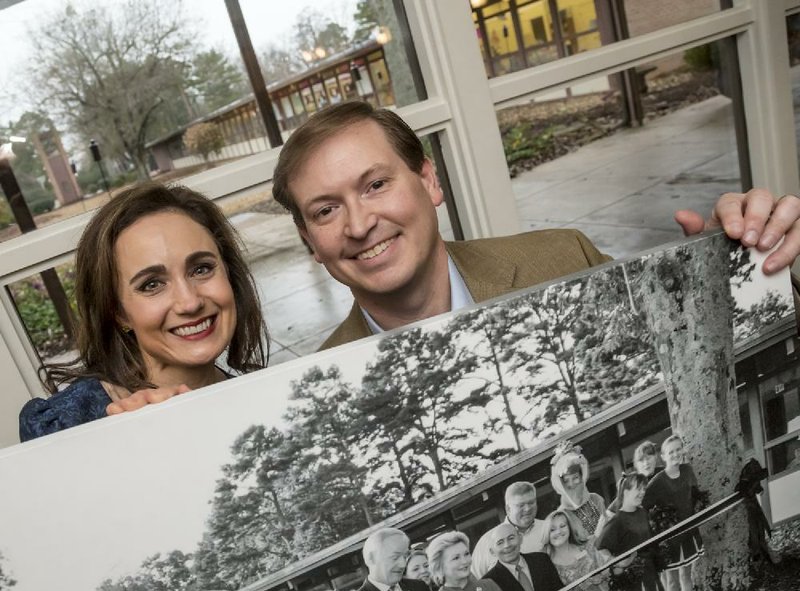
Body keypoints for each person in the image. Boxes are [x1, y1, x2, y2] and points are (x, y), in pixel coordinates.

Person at [271, 101, 800, 351]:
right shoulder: (315, 382)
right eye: (325, 210)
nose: (360, 223)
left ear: (429, 181)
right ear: (310, 243)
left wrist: (737, 272)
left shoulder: (567, 258)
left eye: (375, 185)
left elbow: (705, 352)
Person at [18, 183, 268, 441]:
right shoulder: (65, 426)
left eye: (201, 269)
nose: (190, 302)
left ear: (229, 273)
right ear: (118, 312)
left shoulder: (261, 401)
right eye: (152, 284)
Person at [642, 435, 705, 591]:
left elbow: (694, 495)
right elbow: (643, 506)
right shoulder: (657, 481)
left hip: (689, 532)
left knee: (686, 575)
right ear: (663, 457)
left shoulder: (687, 470)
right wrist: (658, 524)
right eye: (671, 452)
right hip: (668, 540)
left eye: (678, 449)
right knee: (671, 580)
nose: (676, 454)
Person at [596, 474, 667, 591]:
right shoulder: (617, 520)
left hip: (649, 570)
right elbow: (601, 548)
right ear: (625, 491)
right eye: (638, 489)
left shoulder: (642, 512)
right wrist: (620, 563)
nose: (642, 492)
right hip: (632, 577)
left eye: (644, 488)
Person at [540, 510, 614, 591]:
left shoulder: (585, 547)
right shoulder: (545, 565)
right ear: (547, 534)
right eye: (552, 529)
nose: (559, 532)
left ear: (569, 527)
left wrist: (603, 574)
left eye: (563, 526)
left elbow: (606, 571)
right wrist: (582, 585)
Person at [472, 482, 546, 577]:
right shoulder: (486, 542)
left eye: (531, 502)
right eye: (521, 505)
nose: (527, 509)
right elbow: (476, 585)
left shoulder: (550, 529)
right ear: (508, 509)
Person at [549, 442, 606, 538]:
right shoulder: (562, 514)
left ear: (582, 476)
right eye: (566, 481)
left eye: (575, 477)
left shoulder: (596, 499)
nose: (571, 484)